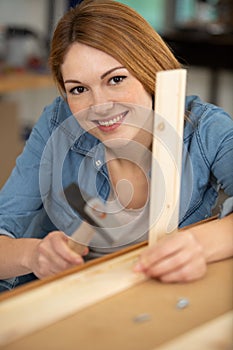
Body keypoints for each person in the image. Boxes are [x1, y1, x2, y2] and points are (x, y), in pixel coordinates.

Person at [0, 0, 232, 292]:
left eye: (116, 79)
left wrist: (201, 245)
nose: (99, 107)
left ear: (151, 69)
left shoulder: (205, 128)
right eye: (79, 89)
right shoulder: (58, 122)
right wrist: (32, 255)